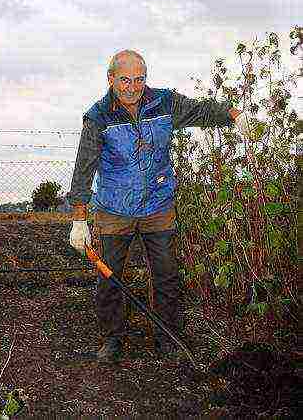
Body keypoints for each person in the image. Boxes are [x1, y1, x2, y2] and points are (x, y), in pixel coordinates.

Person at [68, 49, 258, 363]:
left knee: (167, 275)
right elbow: (84, 167)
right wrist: (78, 218)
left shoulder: (164, 103)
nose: (132, 86)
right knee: (110, 276)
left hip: (158, 205)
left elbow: (200, 111)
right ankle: (113, 339)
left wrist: (234, 115)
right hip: (115, 209)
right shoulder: (98, 117)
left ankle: (167, 335)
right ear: (111, 79)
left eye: (139, 79)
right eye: (125, 80)